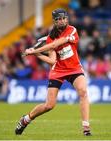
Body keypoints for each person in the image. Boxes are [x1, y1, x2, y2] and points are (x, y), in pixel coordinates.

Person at [15, 8, 92, 136]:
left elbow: (55, 44)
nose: (62, 21)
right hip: (58, 70)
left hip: (74, 68)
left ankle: (86, 128)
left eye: (64, 18)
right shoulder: (51, 37)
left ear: (67, 18)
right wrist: (38, 54)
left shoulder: (72, 30)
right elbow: (52, 61)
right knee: (49, 105)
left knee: (83, 91)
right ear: (55, 22)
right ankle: (26, 119)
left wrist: (33, 51)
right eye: (59, 19)